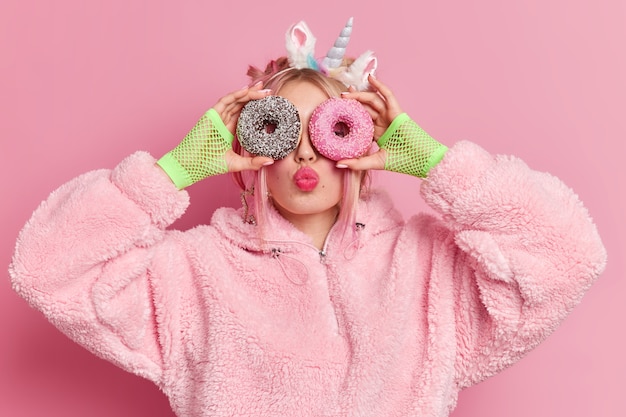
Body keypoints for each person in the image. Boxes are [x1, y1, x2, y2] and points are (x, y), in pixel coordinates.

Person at [9, 19, 606, 417]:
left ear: (365, 148)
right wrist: (172, 172)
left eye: (331, 131)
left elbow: (569, 256)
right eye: (280, 130)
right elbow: (45, 268)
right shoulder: (190, 275)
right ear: (248, 154)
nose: (303, 154)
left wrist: (438, 165)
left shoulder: (427, 269)